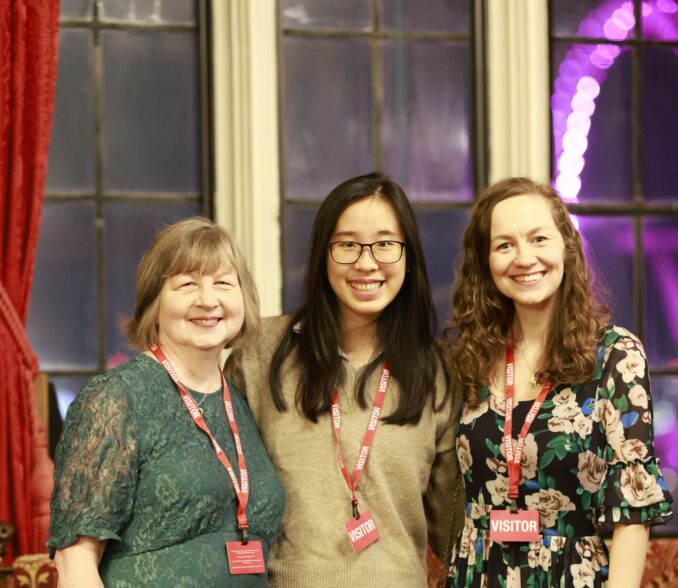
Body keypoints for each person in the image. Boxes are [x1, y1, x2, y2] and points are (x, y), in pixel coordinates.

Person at [226, 172, 464, 587]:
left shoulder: (439, 372)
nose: (366, 262)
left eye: (385, 244)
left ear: (408, 256)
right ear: (323, 254)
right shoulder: (259, 353)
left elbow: (454, 529)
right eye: (348, 244)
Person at [443, 177, 673, 587]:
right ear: (485, 261)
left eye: (538, 238)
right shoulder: (470, 358)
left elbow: (633, 512)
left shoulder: (615, 356)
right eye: (504, 245)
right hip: (478, 575)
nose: (523, 257)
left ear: (566, 246)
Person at [48, 218, 286, 587]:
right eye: (187, 284)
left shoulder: (239, 401)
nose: (208, 300)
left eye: (223, 283)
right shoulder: (117, 398)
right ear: (153, 304)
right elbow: (74, 560)